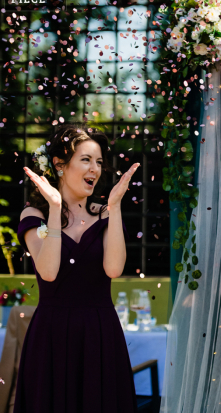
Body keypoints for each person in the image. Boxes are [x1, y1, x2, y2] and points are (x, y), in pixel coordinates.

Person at [14, 124, 141, 413]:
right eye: (86, 160)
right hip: (51, 335)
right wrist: (56, 208)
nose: (95, 169)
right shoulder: (34, 215)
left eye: (98, 162)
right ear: (59, 165)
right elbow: (48, 271)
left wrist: (116, 207)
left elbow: (113, 269)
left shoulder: (106, 214)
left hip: (99, 333)